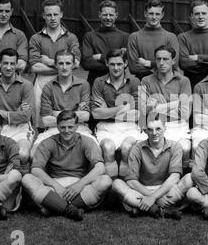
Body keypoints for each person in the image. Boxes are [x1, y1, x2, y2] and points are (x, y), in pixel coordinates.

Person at [22, 110, 111, 221]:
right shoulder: (48, 142)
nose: (66, 131)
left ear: (77, 126)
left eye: (70, 127)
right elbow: (35, 170)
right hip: (54, 185)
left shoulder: (86, 141)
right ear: (58, 127)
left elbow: (100, 167)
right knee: (27, 179)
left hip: (79, 186)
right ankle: (70, 210)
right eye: (63, 127)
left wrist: (79, 185)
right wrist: (56, 186)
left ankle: (53, 206)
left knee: (105, 180)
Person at [112, 114, 189, 219]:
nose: (154, 133)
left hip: (165, 190)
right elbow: (131, 181)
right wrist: (153, 197)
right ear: (145, 131)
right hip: (143, 190)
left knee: (189, 179)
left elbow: (174, 177)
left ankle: (143, 208)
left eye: (158, 129)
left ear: (165, 129)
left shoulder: (175, 146)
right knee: (117, 184)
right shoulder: (137, 148)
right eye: (150, 129)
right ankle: (162, 210)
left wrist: (153, 197)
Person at [30, 50, 98, 158]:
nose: (64, 67)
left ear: (74, 65)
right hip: (54, 129)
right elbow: (46, 121)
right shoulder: (48, 87)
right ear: (56, 65)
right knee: (34, 153)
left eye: (68, 63)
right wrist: (75, 114)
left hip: (79, 128)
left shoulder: (83, 85)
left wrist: (55, 113)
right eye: (61, 63)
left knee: (95, 152)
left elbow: (85, 116)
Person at [91, 49, 144, 179]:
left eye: (119, 64)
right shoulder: (99, 82)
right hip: (106, 126)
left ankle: (126, 185)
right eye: (112, 64)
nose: (116, 68)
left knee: (127, 148)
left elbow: (137, 114)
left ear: (125, 63)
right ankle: (112, 186)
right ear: (106, 64)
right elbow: (96, 114)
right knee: (108, 148)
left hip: (129, 126)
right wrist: (123, 107)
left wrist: (107, 110)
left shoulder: (135, 81)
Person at [29, 0, 81, 128]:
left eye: (55, 14)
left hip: (65, 83)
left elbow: (76, 63)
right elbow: (35, 66)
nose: (52, 18)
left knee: (64, 121)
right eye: (49, 15)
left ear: (61, 15)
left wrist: (49, 61)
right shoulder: (36, 38)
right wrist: (64, 66)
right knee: (42, 123)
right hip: (42, 82)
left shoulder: (71, 37)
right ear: (43, 16)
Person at [141, 45, 192, 168]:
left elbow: (185, 114)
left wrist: (156, 108)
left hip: (178, 125)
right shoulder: (146, 80)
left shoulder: (184, 81)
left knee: (184, 148)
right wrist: (176, 104)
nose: (161, 63)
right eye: (158, 59)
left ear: (173, 61)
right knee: (143, 148)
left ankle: (180, 178)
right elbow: (143, 112)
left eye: (165, 59)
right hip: (153, 125)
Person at [178, 0, 208, 89]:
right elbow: (184, 64)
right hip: (190, 85)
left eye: (204, 13)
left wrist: (198, 58)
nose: (200, 17)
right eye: (197, 14)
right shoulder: (183, 38)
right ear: (191, 16)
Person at [81, 0, 129, 89]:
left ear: (116, 16)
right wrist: (115, 63)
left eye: (111, 15)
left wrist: (100, 57)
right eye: (105, 14)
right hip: (94, 84)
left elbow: (124, 64)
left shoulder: (124, 37)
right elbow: (86, 63)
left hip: (119, 85)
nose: (108, 18)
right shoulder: (89, 36)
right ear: (99, 15)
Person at [127, 0, 179, 80]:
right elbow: (133, 68)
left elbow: (174, 65)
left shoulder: (171, 37)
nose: (154, 17)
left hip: (165, 83)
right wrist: (161, 66)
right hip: (141, 83)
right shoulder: (134, 37)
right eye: (151, 13)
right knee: (140, 93)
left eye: (157, 14)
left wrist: (148, 63)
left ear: (162, 15)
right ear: (145, 14)